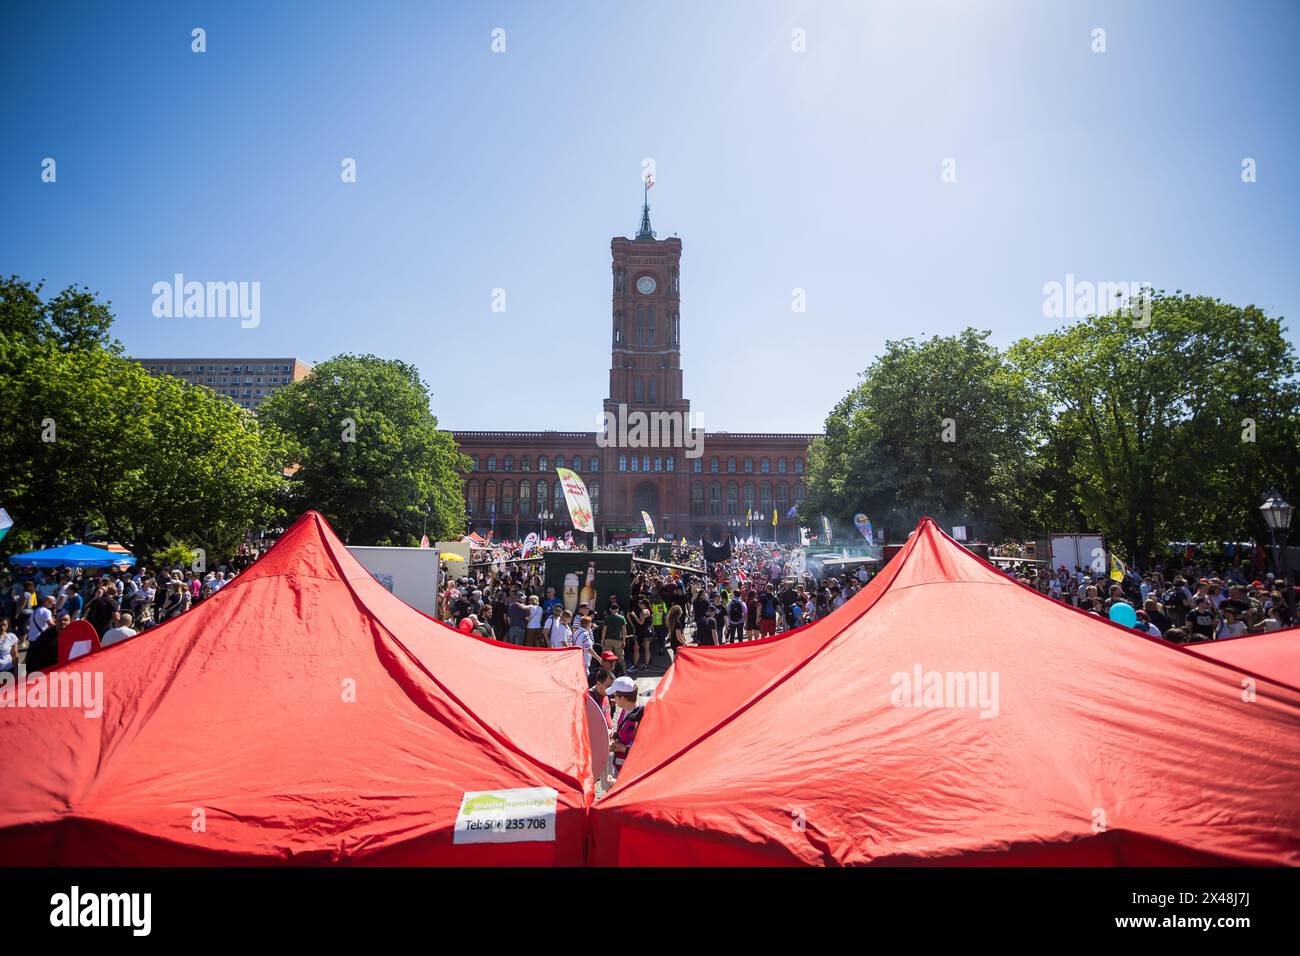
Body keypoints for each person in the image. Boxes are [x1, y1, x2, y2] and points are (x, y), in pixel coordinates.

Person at [608, 676, 644, 779]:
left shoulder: (641, 716)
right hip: (619, 766)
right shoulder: (624, 709)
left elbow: (644, 747)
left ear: (623, 698)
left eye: (615, 696)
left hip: (630, 772)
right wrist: (615, 736)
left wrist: (623, 749)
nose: (613, 699)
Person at [601, 601, 628, 670]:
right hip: (618, 640)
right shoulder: (622, 618)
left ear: (610, 609)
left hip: (608, 640)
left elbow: (604, 630)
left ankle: (606, 671)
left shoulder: (607, 618)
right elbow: (624, 631)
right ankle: (624, 672)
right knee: (620, 657)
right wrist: (624, 641)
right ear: (617, 609)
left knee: (607, 657)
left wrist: (602, 640)